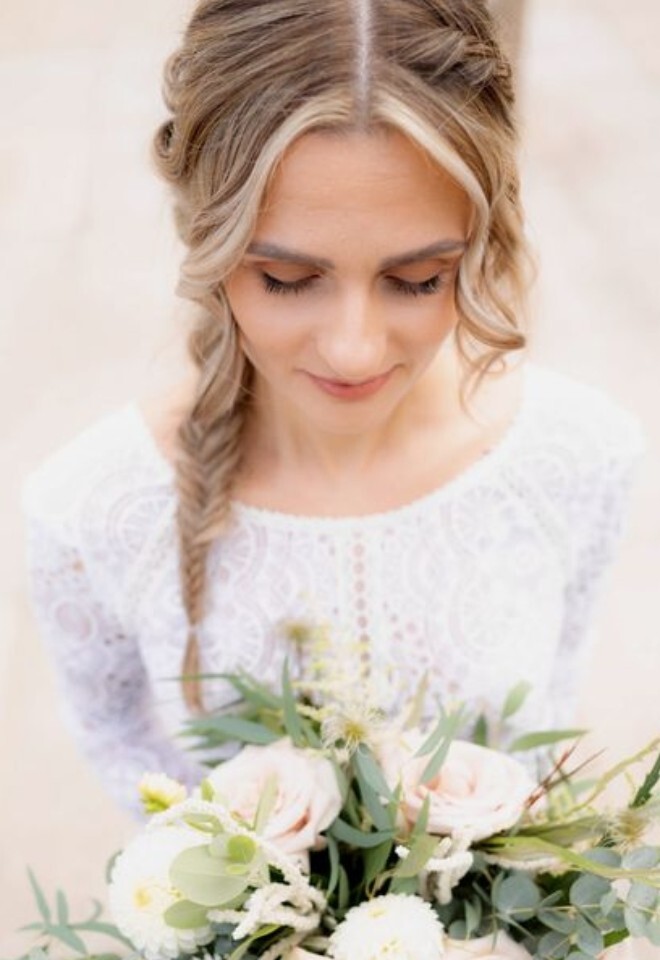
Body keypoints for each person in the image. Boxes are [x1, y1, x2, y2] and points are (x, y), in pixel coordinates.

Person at [22, 0, 643, 820]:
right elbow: (130, 767)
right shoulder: (90, 512)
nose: (354, 348)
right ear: (207, 240)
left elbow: (541, 750)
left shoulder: (580, 458)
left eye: (417, 279)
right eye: (286, 280)